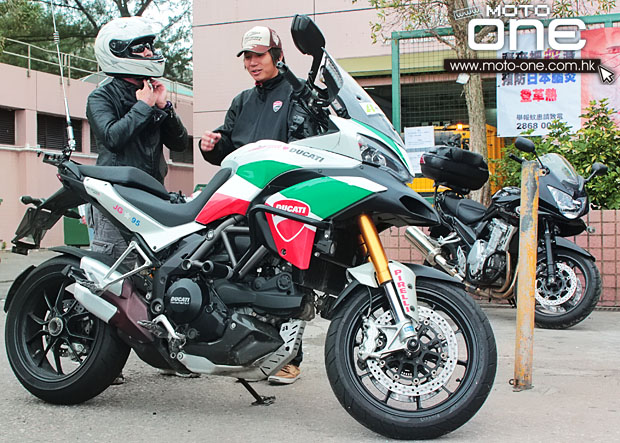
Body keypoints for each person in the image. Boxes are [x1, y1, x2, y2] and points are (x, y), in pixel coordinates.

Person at [200, 25, 316, 384]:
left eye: (259, 56)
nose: (252, 63)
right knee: (238, 276)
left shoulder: (299, 94)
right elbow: (228, 146)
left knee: (287, 279)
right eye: (247, 57)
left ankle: (289, 357)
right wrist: (212, 146)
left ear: (278, 56)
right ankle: (238, 349)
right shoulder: (241, 102)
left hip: (284, 199)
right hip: (239, 200)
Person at [87, 16, 193, 383]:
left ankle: (167, 354)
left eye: (150, 46)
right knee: (107, 277)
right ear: (118, 54)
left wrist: (164, 107)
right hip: (114, 198)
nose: (150, 53)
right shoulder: (102, 96)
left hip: (153, 197)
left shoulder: (150, 92)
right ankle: (96, 358)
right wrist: (144, 106)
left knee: (156, 277)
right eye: (141, 48)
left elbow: (179, 143)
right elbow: (113, 138)